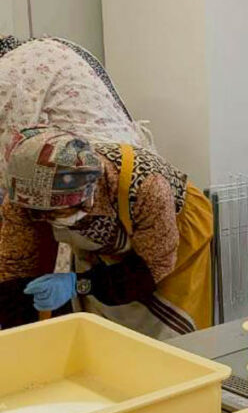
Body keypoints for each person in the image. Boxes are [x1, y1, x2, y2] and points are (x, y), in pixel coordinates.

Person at [0, 127, 212, 338]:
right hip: (107, 242)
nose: (52, 220)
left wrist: (80, 284)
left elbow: (152, 269)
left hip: (172, 237)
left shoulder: (148, 188)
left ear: (88, 195)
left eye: (60, 211)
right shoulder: (24, 198)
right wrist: (18, 339)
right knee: (99, 325)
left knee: (169, 334)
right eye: (44, 214)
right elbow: (15, 269)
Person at [0, 35, 153, 201]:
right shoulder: (51, 46)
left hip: (95, 183)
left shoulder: (9, 72)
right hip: (131, 164)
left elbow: (12, 158)